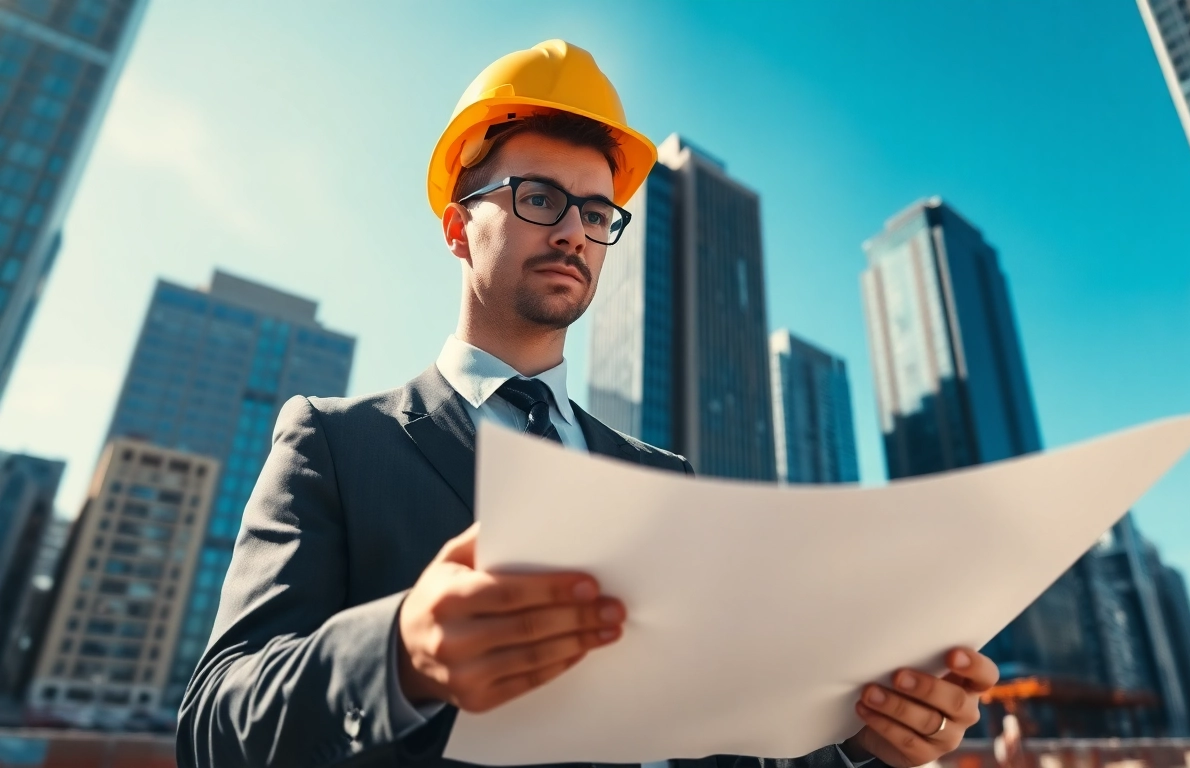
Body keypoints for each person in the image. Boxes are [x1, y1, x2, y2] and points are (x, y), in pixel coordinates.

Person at [176, 39, 1000, 768]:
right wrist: (398, 657)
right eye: (539, 198)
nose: (574, 231)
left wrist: (864, 746)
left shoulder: (665, 479)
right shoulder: (335, 442)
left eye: (598, 212)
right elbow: (215, 729)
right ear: (459, 229)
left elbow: (723, 749)